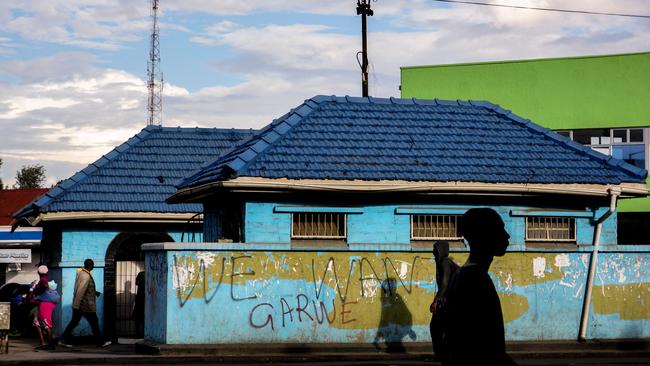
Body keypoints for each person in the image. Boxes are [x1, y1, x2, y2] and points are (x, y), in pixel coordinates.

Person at [443, 208, 517, 366]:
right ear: (485, 236)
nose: (507, 235)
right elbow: (491, 352)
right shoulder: (478, 281)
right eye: (499, 229)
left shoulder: (462, 275)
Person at [58, 259, 111, 348]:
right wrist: (77, 305)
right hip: (85, 305)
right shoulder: (86, 276)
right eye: (93, 265)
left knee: (74, 322)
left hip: (81, 304)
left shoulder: (81, 274)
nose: (93, 266)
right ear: (90, 265)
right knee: (94, 322)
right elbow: (81, 291)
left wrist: (94, 292)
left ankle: (63, 340)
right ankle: (100, 342)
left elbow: (84, 288)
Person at [429, 241, 459, 361]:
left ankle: (441, 356)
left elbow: (445, 284)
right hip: (449, 301)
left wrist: (436, 301)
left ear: (441, 250)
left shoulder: (445, 263)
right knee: (444, 329)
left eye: (435, 249)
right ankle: (444, 356)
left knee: (436, 327)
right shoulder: (443, 262)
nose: (433, 252)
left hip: (448, 302)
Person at [33, 280, 60, 350]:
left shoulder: (46, 294)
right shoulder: (55, 294)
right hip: (42, 310)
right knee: (38, 323)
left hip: (43, 310)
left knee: (46, 325)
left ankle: (49, 344)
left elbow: (34, 300)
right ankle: (45, 343)